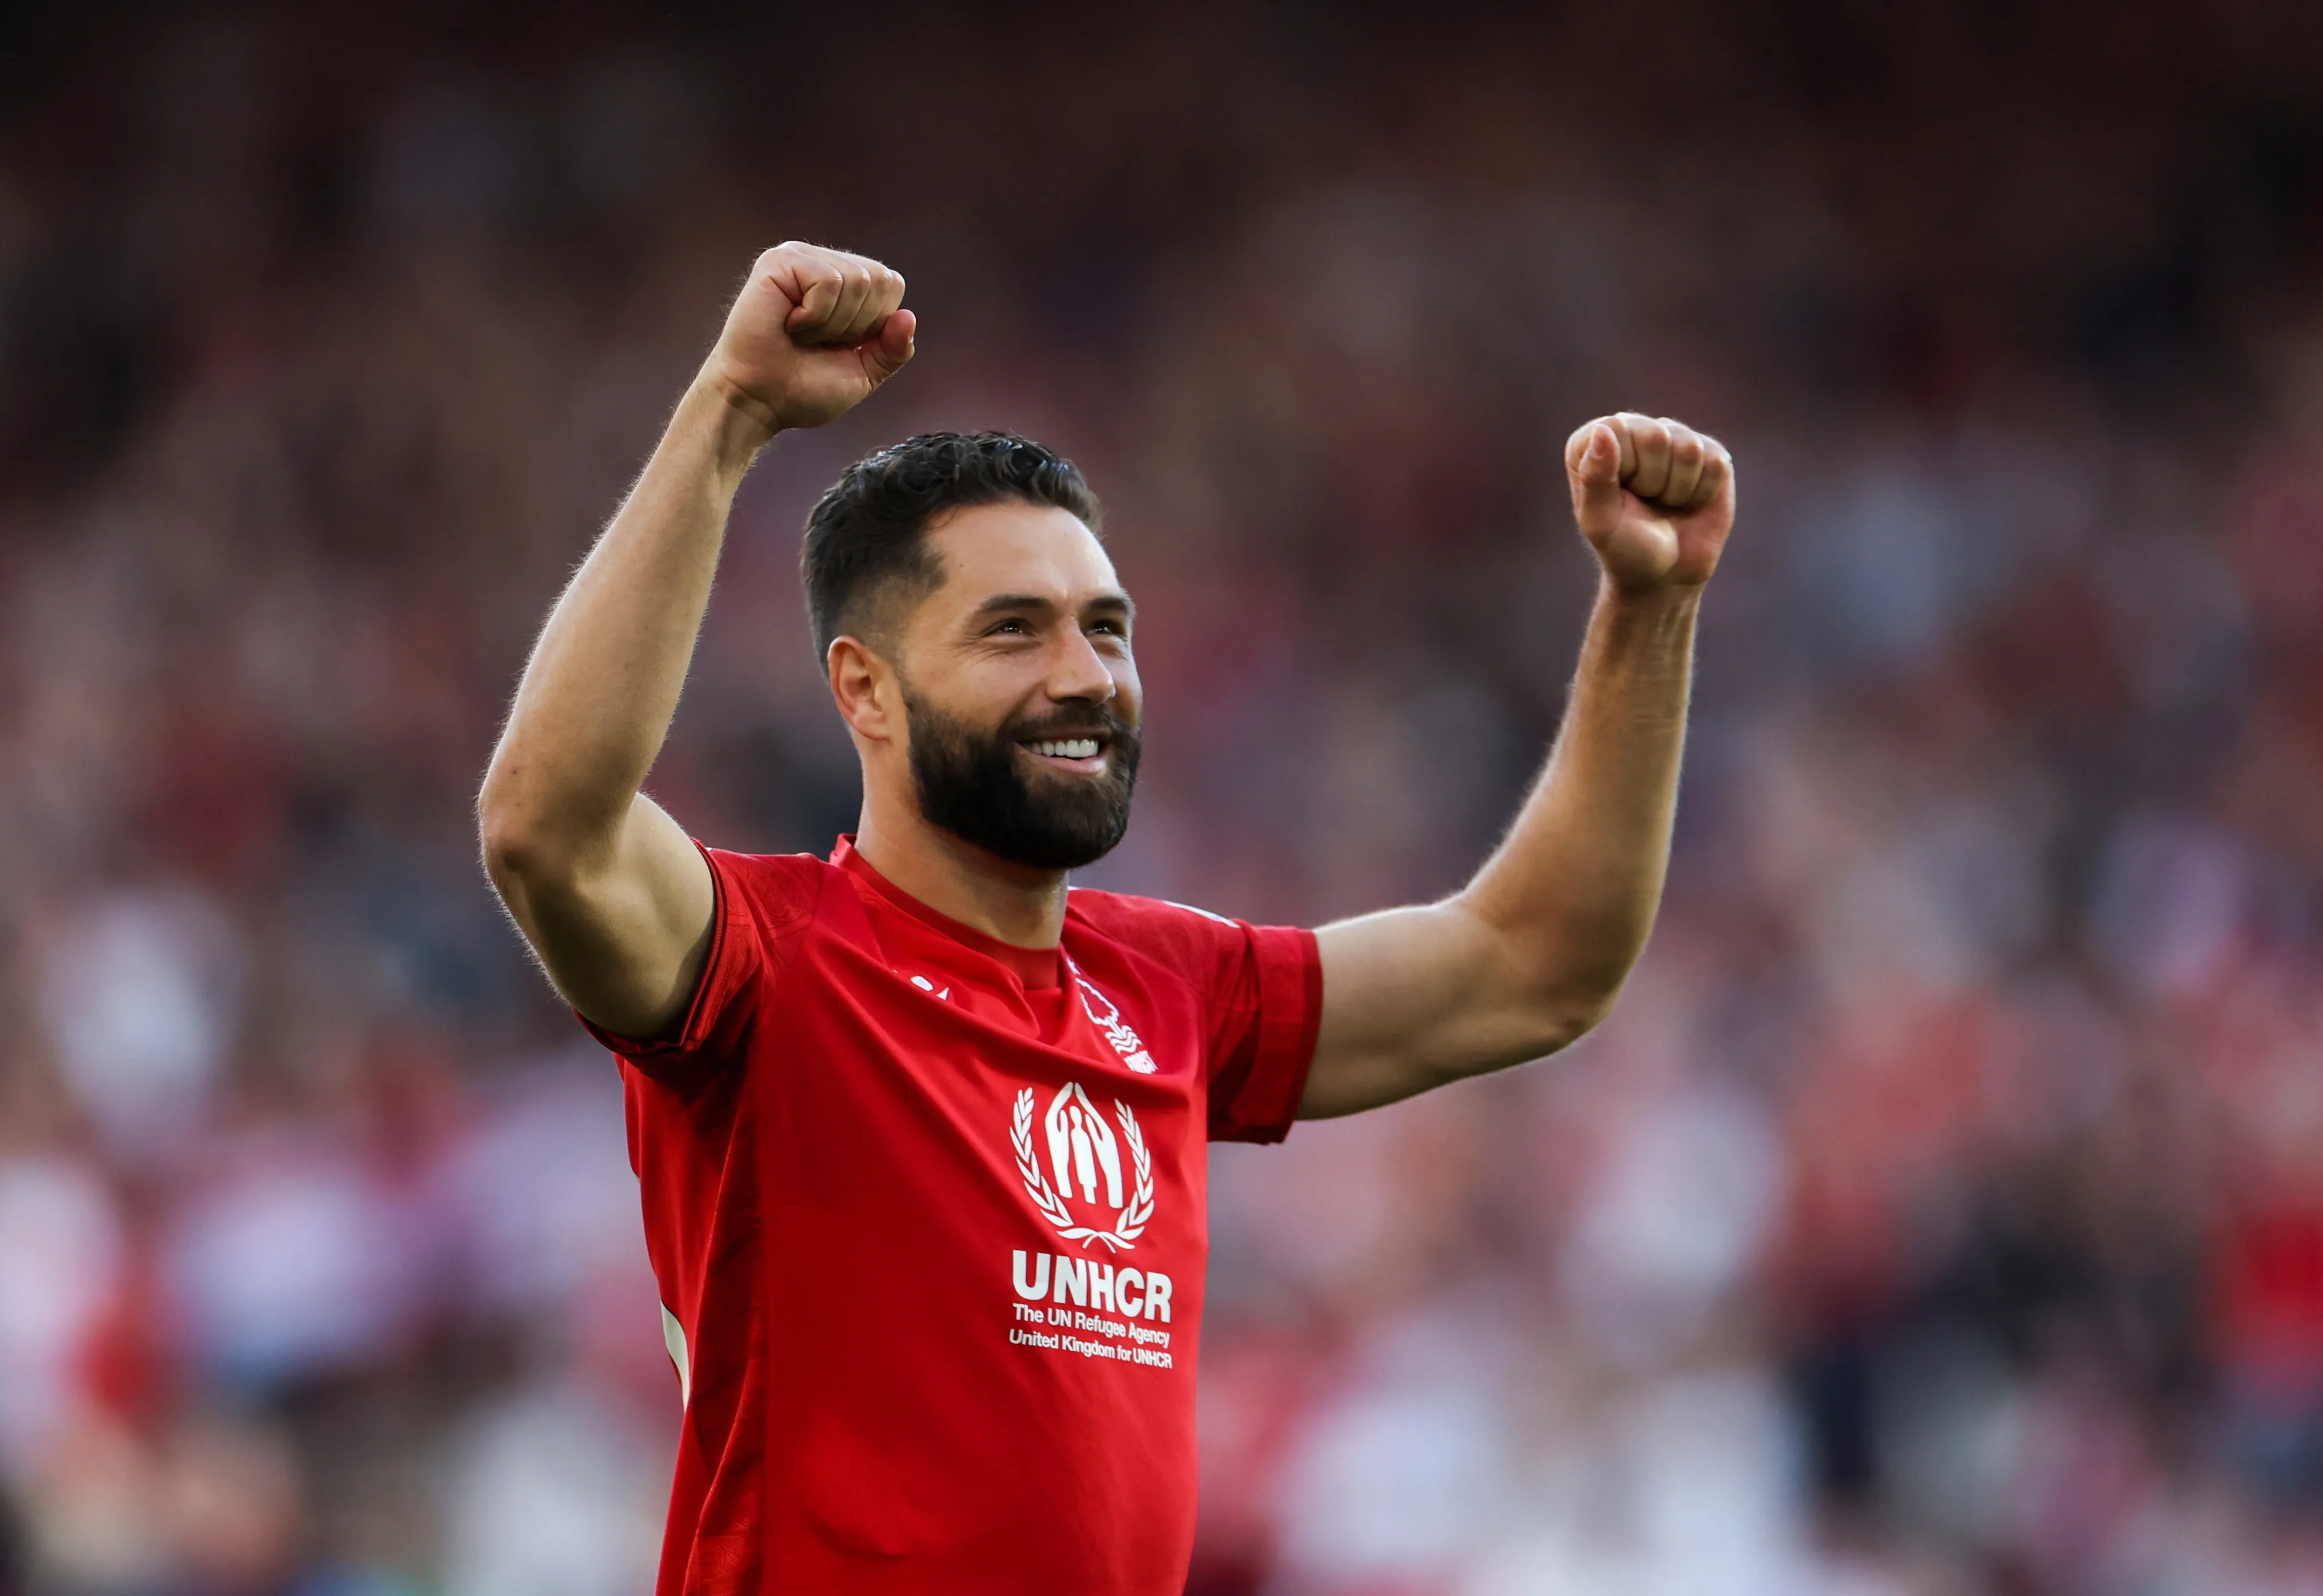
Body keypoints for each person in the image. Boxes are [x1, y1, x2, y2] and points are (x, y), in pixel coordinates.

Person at [477, 241, 1735, 1595]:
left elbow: (1535, 964)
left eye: (1108, 627)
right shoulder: (767, 964)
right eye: (1013, 630)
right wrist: (728, 414)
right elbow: (546, 827)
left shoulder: (1171, 989)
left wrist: (1649, 604)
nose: (1087, 676)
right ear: (866, 690)